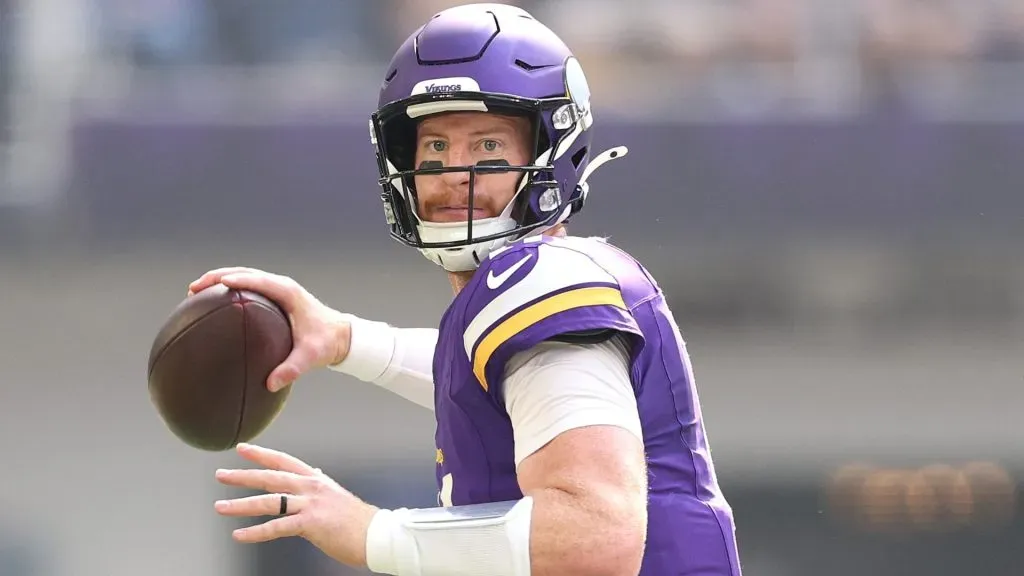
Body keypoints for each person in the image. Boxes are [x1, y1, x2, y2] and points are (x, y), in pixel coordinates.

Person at [189, 3, 742, 575]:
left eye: (488, 147)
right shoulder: (520, 298)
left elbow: (595, 536)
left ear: (555, 152)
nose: (454, 171)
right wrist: (344, 339)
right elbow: (492, 382)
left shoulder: (541, 282)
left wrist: (370, 532)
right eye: (434, 148)